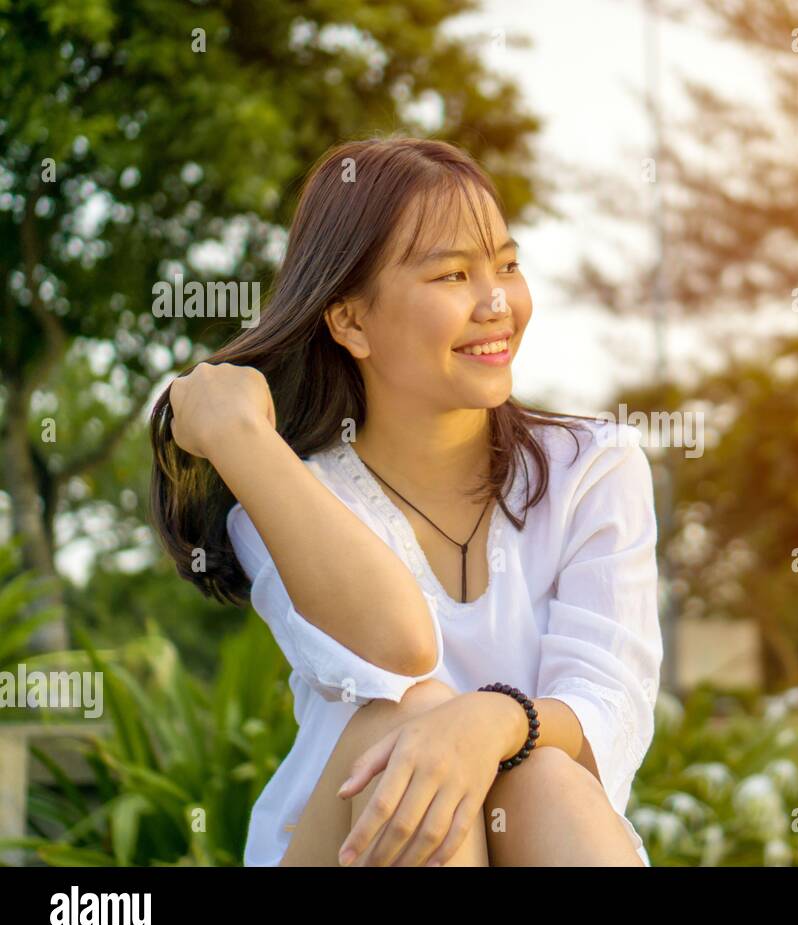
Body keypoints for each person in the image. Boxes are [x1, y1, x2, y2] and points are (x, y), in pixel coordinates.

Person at [149, 137, 661, 866]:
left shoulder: (594, 468)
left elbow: (609, 705)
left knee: (538, 767)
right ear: (351, 321)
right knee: (407, 722)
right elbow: (400, 647)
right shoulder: (288, 491)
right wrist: (240, 436)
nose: (496, 303)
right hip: (344, 840)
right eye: (453, 274)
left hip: (547, 827)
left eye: (507, 265)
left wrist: (492, 722)